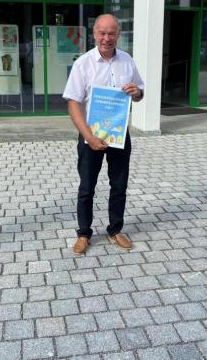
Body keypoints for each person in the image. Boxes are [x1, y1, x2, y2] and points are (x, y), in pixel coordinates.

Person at [63, 14, 144, 256]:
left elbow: (139, 93)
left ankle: (115, 229)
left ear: (118, 34)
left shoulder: (127, 61)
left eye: (111, 33)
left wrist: (137, 92)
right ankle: (84, 233)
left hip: (118, 134)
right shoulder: (83, 64)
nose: (106, 38)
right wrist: (88, 137)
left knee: (119, 185)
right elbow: (73, 103)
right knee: (87, 186)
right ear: (94, 34)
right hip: (90, 135)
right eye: (102, 33)